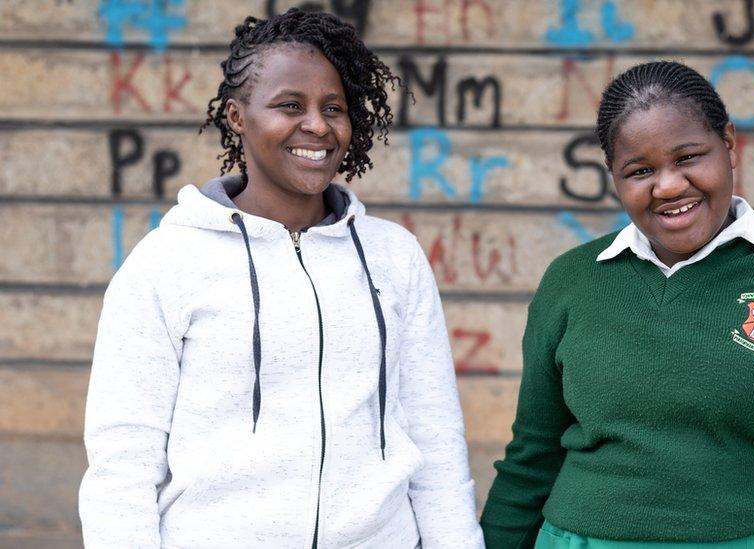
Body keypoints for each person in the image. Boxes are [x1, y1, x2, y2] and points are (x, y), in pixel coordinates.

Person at [79, 9, 484, 548]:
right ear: (237, 116)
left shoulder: (395, 257)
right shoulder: (166, 263)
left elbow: (436, 443)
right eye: (289, 105)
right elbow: (122, 464)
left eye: (333, 108)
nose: (317, 125)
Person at [480, 61, 754, 549]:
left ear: (728, 143)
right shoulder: (572, 279)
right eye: (639, 171)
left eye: (688, 157)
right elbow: (531, 459)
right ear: (613, 177)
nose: (667, 186)